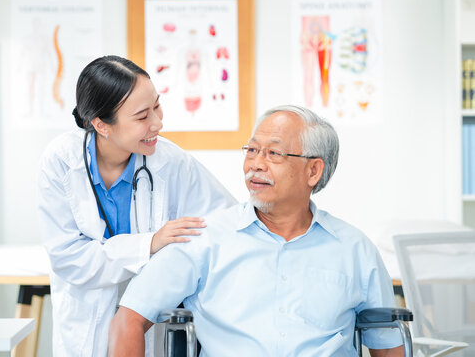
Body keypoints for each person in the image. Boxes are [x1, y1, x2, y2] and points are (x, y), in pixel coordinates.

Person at [109, 105, 403, 357]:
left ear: (313, 171)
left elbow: (387, 346)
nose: (256, 165)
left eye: (273, 153)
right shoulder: (203, 239)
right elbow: (129, 319)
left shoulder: (355, 249)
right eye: (251, 150)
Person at [37, 55, 236, 356]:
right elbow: (69, 259)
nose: (158, 123)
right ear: (102, 125)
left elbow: (225, 223)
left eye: (157, 106)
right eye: (143, 116)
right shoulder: (61, 162)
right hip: (84, 325)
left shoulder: (172, 162)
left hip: (150, 325)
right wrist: (150, 244)